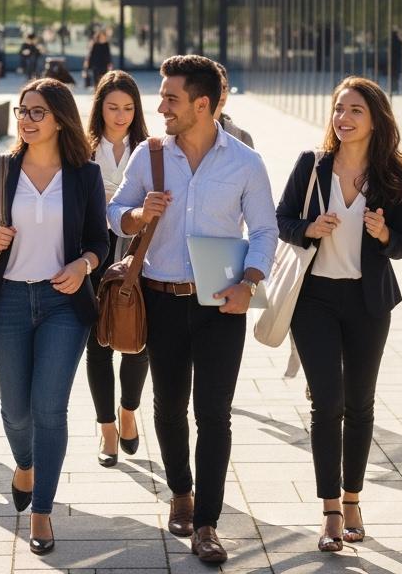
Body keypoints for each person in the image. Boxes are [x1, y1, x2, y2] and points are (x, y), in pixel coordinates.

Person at [108, 55, 278, 566]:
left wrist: (251, 281)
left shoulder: (245, 162)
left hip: (220, 303)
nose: (159, 107)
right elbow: (115, 213)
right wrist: (139, 215)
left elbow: (265, 231)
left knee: (214, 414)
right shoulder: (150, 154)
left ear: (202, 105)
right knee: (167, 406)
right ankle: (180, 491)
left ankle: (206, 522)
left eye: (170, 99)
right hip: (160, 300)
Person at [276, 77, 402, 553]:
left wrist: (381, 235)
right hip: (313, 300)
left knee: (359, 403)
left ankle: (353, 498)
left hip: (367, 303)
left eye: (355, 110)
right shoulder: (312, 165)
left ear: (375, 118)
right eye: (339, 109)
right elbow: (282, 220)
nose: (344, 118)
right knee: (326, 403)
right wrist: (309, 227)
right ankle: (331, 509)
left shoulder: (392, 174)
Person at [0, 78, 109, 555]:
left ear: (60, 119)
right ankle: (25, 463)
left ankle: (42, 511)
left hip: (62, 303)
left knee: (49, 408)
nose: (27, 121)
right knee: (15, 409)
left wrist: (84, 264)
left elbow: (101, 239)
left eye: (37, 112)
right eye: (22, 112)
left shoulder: (84, 174)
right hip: (8, 301)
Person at [84, 70, 150, 467]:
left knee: (136, 335)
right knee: (98, 343)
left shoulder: (149, 148)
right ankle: (106, 427)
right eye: (113, 107)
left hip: (137, 251)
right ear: (100, 108)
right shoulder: (83, 147)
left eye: (128, 108)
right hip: (93, 251)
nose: (121, 115)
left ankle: (129, 410)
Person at [213, 63, 253, 148]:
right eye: (215, 87)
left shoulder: (242, 137)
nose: (221, 92)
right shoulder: (181, 136)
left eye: (224, 87)